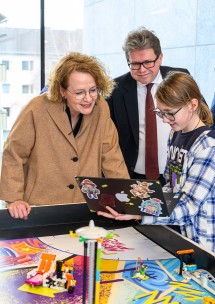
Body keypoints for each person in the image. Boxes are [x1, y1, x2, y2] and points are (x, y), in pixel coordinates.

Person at [0, 52, 129, 219]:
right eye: (79, 93)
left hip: (83, 206)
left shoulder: (101, 107)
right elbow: (14, 154)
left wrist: (126, 200)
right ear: (62, 90)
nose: (88, 98)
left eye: (93, 90)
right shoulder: (36, 108)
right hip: (38, 207)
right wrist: (14, 198)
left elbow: (112, 156)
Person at [98, 71, 215, 253]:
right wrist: (140, 199)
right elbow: (170, 186)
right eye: (161, 113)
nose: (166, 120)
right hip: (181, 235)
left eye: (170, 113)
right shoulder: (175, 134)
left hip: (202, 240)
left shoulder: (208, 147)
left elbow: (189, 206)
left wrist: (141, 213)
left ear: (192, 105)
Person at [107, 26, 190, 185]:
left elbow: (203, 119)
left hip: (176, 174)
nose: (142, 70)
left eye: (148, 62)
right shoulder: (116, 90)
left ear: (160, 58)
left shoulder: (180, 78)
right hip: (133, 176)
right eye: (135, 64)